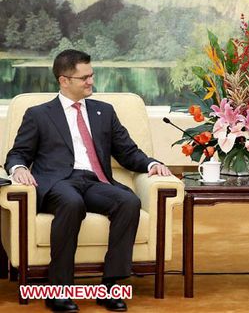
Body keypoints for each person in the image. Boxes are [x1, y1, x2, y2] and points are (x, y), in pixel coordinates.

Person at [5, 49, 172, 312]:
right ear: (64, 80)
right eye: (84, 77)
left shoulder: (104, 111)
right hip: (58, 182)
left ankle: (111, 286)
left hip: (94, 181)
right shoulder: (38, 114)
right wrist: (17, 168)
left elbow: (127, 151)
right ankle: (58, 290)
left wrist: (152, 164)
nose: (90, 82)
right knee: (72, 203)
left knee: (128, 201)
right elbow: (18, 153)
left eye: (91, 75)